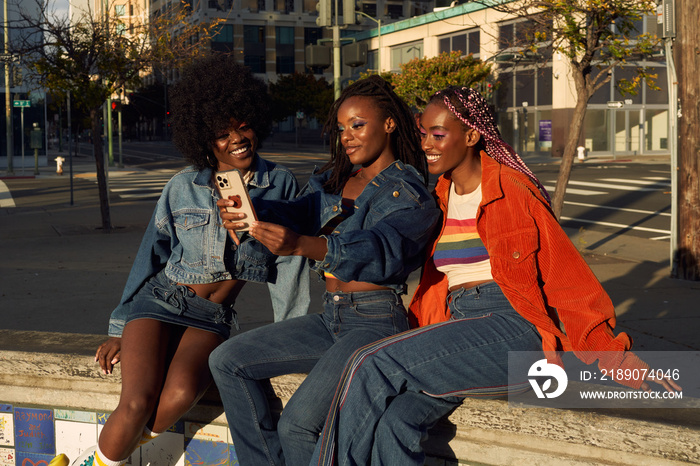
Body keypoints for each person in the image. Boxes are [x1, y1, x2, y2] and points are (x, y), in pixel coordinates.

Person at [310, 86, 682, 466]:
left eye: (439, 134)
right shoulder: (438, 196)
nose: (427, 144)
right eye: (423, 133)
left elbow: (567, 281)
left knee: (368, 362)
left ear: (471, 136)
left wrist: (618, 361)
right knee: (396, 419)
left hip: (512, 328)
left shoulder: (511, 190)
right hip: (458, 328)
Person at [58, 56, 309, 466]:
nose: (237, 138)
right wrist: (120, 327)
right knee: (136, 403)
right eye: (222, 133)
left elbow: (290, 266)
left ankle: (97, 457)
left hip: (212, 317)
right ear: (204, 139)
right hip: (160, 302)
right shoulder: (182, 186)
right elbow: (149, 257)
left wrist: (289, 337)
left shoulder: (279, 184)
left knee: (177, 397)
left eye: (243, 125)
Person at [208, 75, 441, 466]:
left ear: (389, 124)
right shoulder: (334, 178)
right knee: (226, 361)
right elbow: (298, 212)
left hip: (376, 323)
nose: (347, 136)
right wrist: (252, 215)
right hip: (331, 316)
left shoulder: (410, 191)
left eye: (358, 125)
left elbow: (382, 250)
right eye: (341, 128)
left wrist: (301, 245)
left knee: (299, 424)